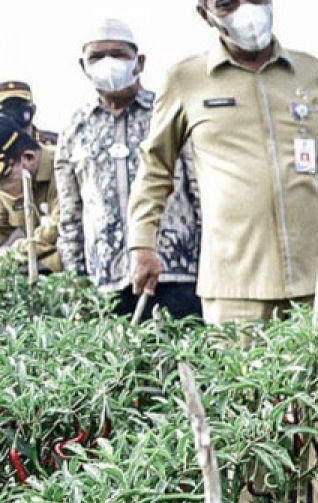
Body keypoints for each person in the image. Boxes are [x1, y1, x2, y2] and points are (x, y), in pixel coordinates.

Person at [127, 0, 318, 503]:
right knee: (250, 423)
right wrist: (143, 240)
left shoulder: (310, 71)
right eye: (227, 2)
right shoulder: (186, 79)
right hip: (234, 284)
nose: (246, 9)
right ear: (205, 14)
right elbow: (154, 167)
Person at [55, 19, 202, 320]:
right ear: (83, 66)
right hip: (106, 282)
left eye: (118, 54)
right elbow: (69, 215)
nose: (108, 62)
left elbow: (200, 191)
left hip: (176, 273)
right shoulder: (75, 130)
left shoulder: (168, 114)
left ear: (140, 62)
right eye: (96, 57)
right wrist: (76, 279)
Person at [0, 114, 60, 271]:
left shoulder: (62, 167)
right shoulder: (7, 185)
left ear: (28, 157)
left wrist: (10, 255)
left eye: (3, 179)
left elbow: (58, 229)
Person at [0, 80, 57, 145]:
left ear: (33, 108)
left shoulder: (55, 143)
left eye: (20, 104)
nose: (14, 111)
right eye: (8, 106)